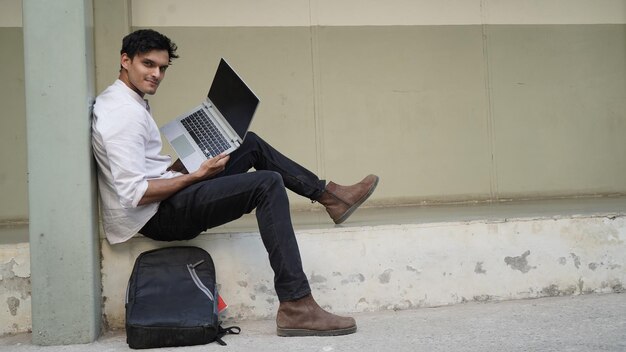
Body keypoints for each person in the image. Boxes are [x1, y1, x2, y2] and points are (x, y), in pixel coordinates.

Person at [91, 29, 379, 337]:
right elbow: (136, 194)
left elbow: (144, 171)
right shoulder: (123, 115)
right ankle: (296, 303)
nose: (156, 74)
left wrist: (181, 167)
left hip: (164, 195)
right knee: (266, 184)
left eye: (162, 68)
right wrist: (195, 175)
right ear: (125, 60)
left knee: (247, 143)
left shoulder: (128, 99)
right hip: (157, 217)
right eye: (148, 65)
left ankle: (330, 196)